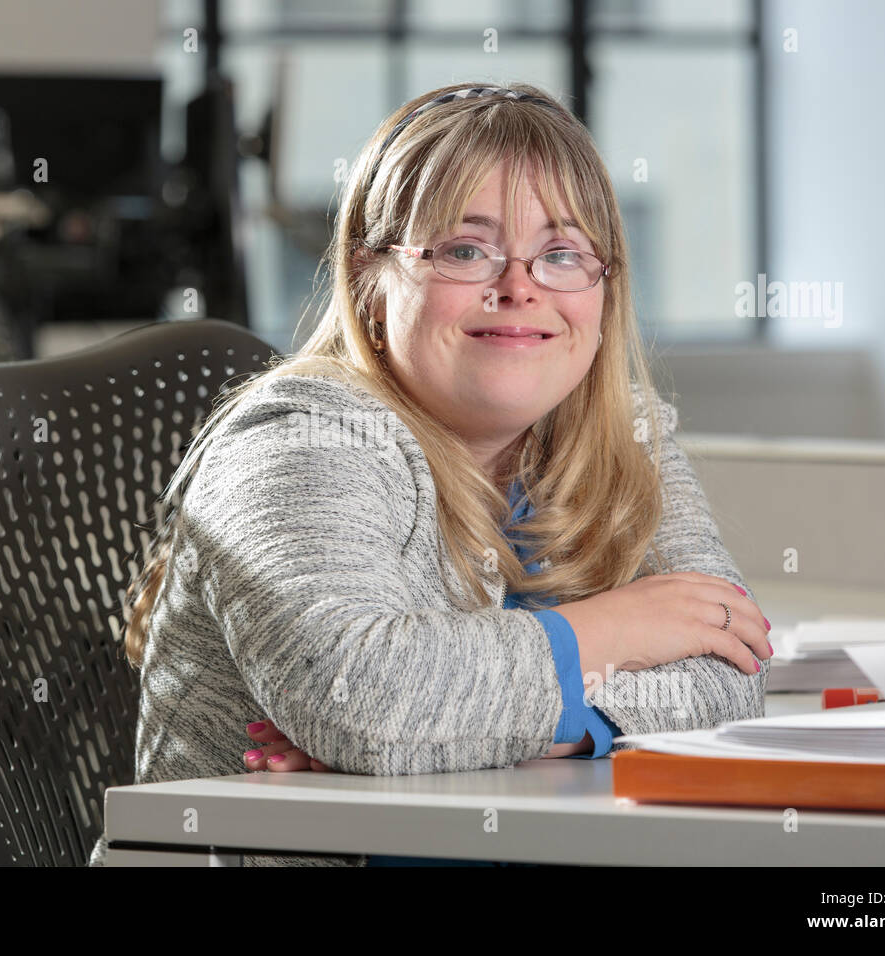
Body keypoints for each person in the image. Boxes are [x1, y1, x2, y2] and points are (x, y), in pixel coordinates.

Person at [88, 82, 772, 868]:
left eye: (561, 254)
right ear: (370, 276)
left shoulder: (626, 439)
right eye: (466, 250)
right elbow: (363, 701)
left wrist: (480, 729)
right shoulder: (299, 439)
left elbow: (731, 672)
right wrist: (615, 631)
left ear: (604, 287)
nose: (520, 287)